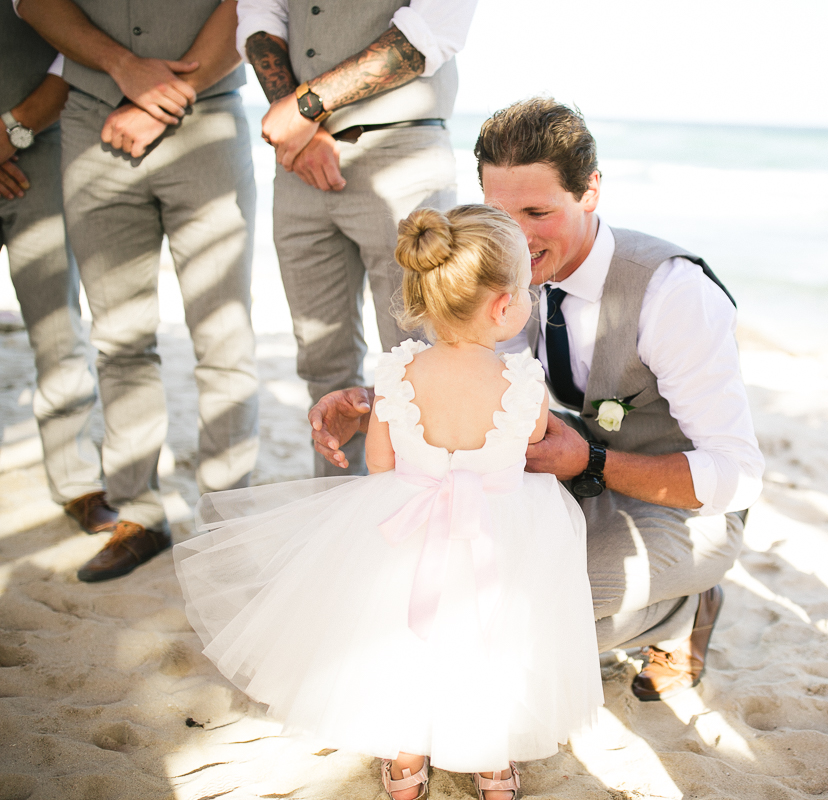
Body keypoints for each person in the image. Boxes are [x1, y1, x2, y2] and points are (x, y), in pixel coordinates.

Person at [310, 98, 765, 701]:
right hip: (552, 484)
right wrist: (374, 400)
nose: (518, 238)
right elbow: (466, 369)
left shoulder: (673, 294)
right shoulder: (501, 275)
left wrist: (594, 463)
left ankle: (684, 610)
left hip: (681, 505)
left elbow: (738, 477)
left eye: (538, 211)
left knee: (530, 605)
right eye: (500, 213)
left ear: (591, 192)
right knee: (419, 587)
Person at [176, 204, 601, 800]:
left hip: (409, 528)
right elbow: (528, 446)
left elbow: (379, 463)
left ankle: (406, 763)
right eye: (528, 291)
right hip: (500, 534)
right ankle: (493, 765)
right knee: (493, 641)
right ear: (504, 306)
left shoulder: (397, 372)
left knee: (406, 643)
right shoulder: (524, 384)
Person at [19, 0, 259, 582]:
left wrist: (169, 95)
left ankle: (228, 522)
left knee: (224, 343)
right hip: (91, 125)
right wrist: (124, 65)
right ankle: (139, 516)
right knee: (119, 341)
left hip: (208, 120)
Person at [236, 0, 477, 477]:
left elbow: (429, 33)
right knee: (322, 368)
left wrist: (305, 110)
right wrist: (301, 130)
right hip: (298, 166)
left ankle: (426, 522)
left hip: (403, 155)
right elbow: (260, 14)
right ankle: (339, 520)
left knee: (425, 363)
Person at [1, 5, 118, 536]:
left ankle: (76, 481)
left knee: (57, 325)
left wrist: (12, 129)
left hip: (42, 148)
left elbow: (78, 45)